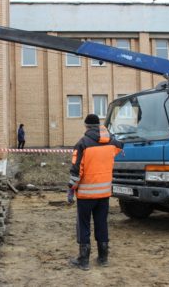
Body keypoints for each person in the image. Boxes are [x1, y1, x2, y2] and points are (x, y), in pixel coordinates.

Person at [67, 114, 123, 271]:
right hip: (104, 193)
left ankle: (83, 261)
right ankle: (103, 258)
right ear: (98, 126)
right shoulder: (111, 143)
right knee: (101, 223)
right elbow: (120, 146)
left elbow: (76, 171)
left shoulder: (82, 144)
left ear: (86, 126)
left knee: (84, 225)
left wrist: (71, 189)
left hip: (86, 194)